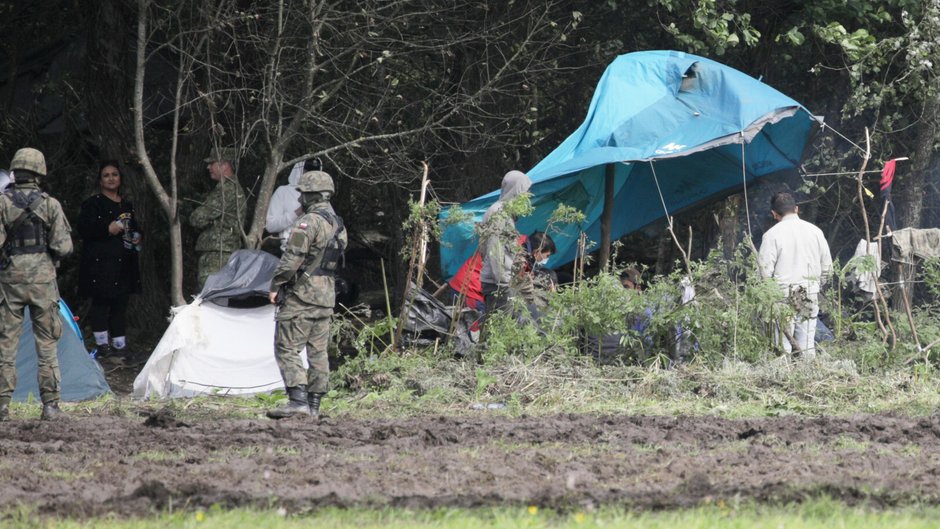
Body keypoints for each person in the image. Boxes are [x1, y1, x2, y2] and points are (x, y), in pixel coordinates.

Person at [267, 170, 347, 419]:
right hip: (326, 295)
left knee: (286, 347)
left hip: (301, 295)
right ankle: (313, 406)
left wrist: (276, 285)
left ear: (310, 195)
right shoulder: (338, 224)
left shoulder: (308, 223)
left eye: (303, 193)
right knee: (318, 351)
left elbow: (292, 258)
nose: (300, 197)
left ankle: (298, 402)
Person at [0, 148, 73, 421]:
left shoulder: (2, 203)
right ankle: (51, 406)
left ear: (15, 171)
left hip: (10, 281)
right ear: (39, 172)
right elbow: (63, 247)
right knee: (47, 345)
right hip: (43, 281)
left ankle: (2, 406)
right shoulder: (50, 204)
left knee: (6, 345)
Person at [77, 161, 142, 361]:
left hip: (124, 264)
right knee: (101, 304)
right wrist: (107, 229)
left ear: (120, 178)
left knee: (120, 305)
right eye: (106, 175)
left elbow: (134, 228)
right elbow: (83, 230)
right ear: (100, 180)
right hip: (100, 264)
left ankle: (119, 347)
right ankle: (102, 346)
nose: (111, 178)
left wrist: (137, 236)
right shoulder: (92, 204)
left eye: (115, 174)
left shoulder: (126, 204)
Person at [758, 191, 832, 358]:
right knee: (807, 345)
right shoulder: (815, 231)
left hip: (782, 296)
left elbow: (764, 271)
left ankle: (783, 378)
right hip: (809, 293)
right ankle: (809, 381)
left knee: (782, 346)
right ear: (796, 209)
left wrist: (769, 294)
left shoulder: (771, 235)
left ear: (774, 214)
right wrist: (817, 286)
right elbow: (827, 266)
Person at [190, 147, 248, 288]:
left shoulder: (227, 190)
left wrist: (197, 216)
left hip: (219, 255)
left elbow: (197, 218)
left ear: (225, 164)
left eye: (212, 163)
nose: (208, 167)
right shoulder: (230, 188)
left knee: (210, 299)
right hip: (223, 253)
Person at [479, 170, 531, 314]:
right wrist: (505, 283)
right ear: (517, 190)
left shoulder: (504, 213)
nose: (527, 197)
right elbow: (495, 252)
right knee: (500, 329)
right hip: (498, 284)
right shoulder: (499, 214)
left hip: (500, 281)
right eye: (525, 192)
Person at [266, 158, 322, 255]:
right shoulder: (283, 191)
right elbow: (270, 226)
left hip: (314, 254)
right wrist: (296, 213)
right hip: (288, 252)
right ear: (300, 170)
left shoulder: (321, 195)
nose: (310, 176)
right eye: (307, 171)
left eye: (314, 173)